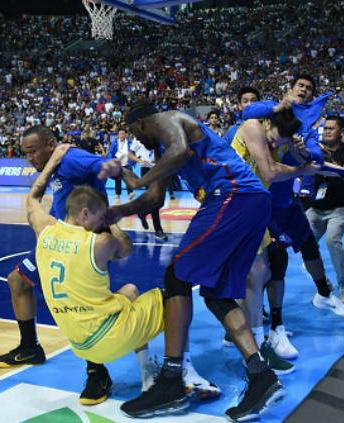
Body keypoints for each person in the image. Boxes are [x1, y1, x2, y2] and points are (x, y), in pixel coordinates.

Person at [0, 126, 220, 403]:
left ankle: (99, 373)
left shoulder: (70, 157)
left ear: (51, 145)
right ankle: (31, 347)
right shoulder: (57, 162)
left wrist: (121, 172)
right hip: (61, 235)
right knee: (20, 281)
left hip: (82, 242)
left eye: (31, 152)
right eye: (25, 153)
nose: (28, 158)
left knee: (90, 302)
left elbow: (103, 165)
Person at [102, 103, 282, 421]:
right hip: (252, 202)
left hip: (232, 195)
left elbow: (181, 152)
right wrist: (120, 210)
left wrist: (138, 181)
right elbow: (155, 198)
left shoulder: (168, 120)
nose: (137, 141)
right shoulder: (164, 148)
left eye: (133, 133)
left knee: (177, 277)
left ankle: (172, 378)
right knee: (216, 294)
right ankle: (261, 375)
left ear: (142, 122)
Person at [25, 144, 161, 403]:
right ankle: (171, 372)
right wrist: (113, 222)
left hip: (78, 345)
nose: (102, 222)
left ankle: (95, 370)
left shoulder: (44, 230)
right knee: (174, 299)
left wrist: (52, 161)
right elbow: (126, 249)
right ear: (86, 213)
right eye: (100, 217)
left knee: (129, 291)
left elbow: (32, 198)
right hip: (108, 340)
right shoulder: (100, 243)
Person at [241, 74, 344, 328]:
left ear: (312, 98)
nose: (304, 89)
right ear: (290, 90)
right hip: (260, 204)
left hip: (285, 203)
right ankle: (268, 322)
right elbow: (247, 112)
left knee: (309, 245)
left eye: (309, 88)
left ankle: (324, 294)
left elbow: (315, 155)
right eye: (300, 86)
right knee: (271, 261)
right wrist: (280, 106)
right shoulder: (266, 117)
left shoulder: (307, 130)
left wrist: (302, 151)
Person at [229, 108, 319, 367]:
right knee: (254, 274)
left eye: (277, 144)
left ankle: (250, 338)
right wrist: (301, 169)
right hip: (234, 206)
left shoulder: (281, 137)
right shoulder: (252, 127)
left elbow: (311, 159)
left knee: (260, 273)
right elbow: (269, 172)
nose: (271, 146)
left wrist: (299, 150)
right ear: (267, 124)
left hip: (254, 208)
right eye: (271, 141)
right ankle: (255, 348)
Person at [303, 115, 344, 310]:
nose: (326, 131)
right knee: (304, 243)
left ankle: (343, 285)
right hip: (317, 208)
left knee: (332, 240)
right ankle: (324, 284)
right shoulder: (315, 150)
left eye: (331, 128)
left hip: (340, 208)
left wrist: (327, 160)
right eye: (325, 128)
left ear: (341, 132)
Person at [128, 135, 168, 241]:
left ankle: (143, 213)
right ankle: (158, 230)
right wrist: (139, 160)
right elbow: (130, 153)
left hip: (161, 168)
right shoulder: (138, 138)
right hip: (147, 169)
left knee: (161, 201)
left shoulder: (160, 134)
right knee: (156, 199)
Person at [106, 128, 134, 200]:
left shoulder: (129, 142)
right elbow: (110, 153)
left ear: (126, 134)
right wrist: (110, 161)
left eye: (123, 133)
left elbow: (133, 152)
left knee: (128, 179)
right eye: (120, 134)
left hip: (127, 163)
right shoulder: (114, 143)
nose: (121, 135)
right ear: (118, 135)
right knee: (118, 180)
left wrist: (133, 162)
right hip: (117, 164)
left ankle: (130, 193)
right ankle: (118, 194)